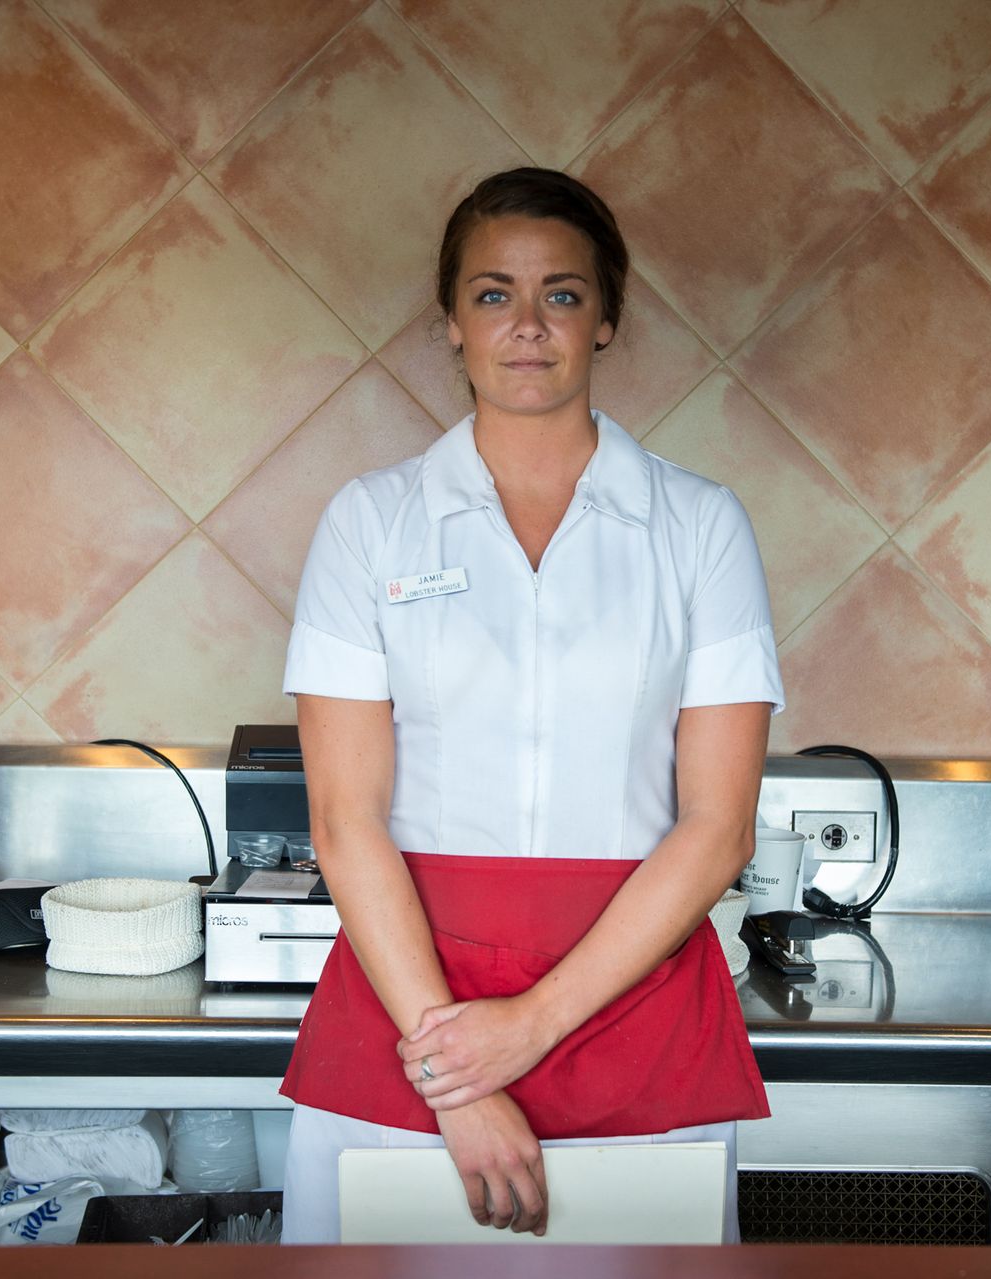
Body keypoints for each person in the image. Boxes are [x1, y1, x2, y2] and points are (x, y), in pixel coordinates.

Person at [277, 167, 783, 1244]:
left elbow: (717, 825)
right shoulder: (371, 524)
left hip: (636, 1004)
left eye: (561, 294)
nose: (527, 326)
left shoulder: (699, 527)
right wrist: (457, 1074)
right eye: (493, 294)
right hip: (411, 1002)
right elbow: (344, 820)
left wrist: (530, 1026)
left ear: (605, 321)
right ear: (450, 323)